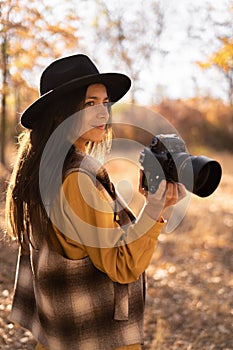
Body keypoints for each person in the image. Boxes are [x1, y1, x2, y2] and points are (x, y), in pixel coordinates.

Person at [5, 54, 186, 350]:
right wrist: (155, 207)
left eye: (105, 103)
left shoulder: (45, 167)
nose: (103, 113)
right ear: (62, 113)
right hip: (96, 338)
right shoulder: (78, 178)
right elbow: (121, 266)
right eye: (90, 104)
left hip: (60, 337)